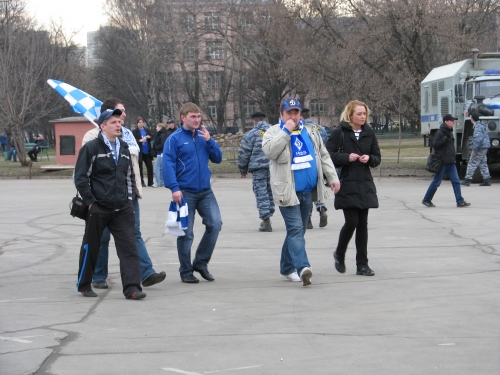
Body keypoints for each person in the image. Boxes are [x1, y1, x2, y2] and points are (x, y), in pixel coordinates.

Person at [82, 97, 166, 290]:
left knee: (133, 234)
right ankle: (98, 275)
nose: (124, 116)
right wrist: (89, 199)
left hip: (127, 195)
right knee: (102, 238)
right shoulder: (91, 137)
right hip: (101, 199)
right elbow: (83, 171)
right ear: (107, 117)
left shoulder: (127, 135)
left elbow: (131, 165)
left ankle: (146, 273)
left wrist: (133, 191)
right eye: (120, 112)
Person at [262, 97, 340, 286]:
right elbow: (271, 151)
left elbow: (323, 155)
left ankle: (286, 268)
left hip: (308, 191)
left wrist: (333, 177)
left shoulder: (311, 131)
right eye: (289, 112)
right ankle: (303, 268)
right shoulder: (273, 132)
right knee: (296, 229)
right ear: (281, 114)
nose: (294, 116)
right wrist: (286, 131)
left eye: (296, 112)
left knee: (297, 231)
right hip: (287, 191)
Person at [74, 109, 145, 299]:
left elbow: (129, 176)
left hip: (122, 208)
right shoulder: (91, 148)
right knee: (91, 246)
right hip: (99, 207)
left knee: (129, 248)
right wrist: (90, 203)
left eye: (119, 122)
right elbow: (81, 178)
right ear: (102, 126)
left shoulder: (123, 147)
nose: (118, 125)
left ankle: (132, 288)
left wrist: (129, 201)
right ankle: (84, 284)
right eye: (113, 122)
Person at [163, 102, 223, 284]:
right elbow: (168, 164)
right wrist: (174, 188)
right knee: (186, 233)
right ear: (183, 118)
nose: (197, 120)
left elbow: (218, 159)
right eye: (193, 117)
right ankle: (186, 270)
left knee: (215, 223)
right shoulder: (175, 139)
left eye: (198, 116)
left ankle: (201, 263)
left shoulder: (203, 136)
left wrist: (209, 140)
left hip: (205, 191)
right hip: (185, 191)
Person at [326, 100, 381, 277]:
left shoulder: (369, 132)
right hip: (347, 182)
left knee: (363, 225)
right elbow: (328, 155)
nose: (363, 117)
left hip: (364, 183)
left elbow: (377, 157)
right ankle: (340, 254)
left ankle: (362, 265)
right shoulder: (339, 132)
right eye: (359, 114)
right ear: (350, 115)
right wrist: (346, 157)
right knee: (352, 222)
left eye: (364, 114)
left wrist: (369, 159)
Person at [422, 114, 471, 208]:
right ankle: (426, 199)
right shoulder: (440, 132)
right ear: (446, 122)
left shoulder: (449, 132)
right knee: (436, 182)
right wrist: (444, 138)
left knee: (456, 181)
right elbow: (435, 145)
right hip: (442, 162)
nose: (453, 122)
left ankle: (460, 201)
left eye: (453, 120)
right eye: (451, 120)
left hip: (451, 162)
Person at [238, 111, 275, 232]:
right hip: (274, 167)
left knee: (261, 192)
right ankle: (270, 212)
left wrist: (243, 170)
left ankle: (266, 220)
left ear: (254, 121)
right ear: (265, 118)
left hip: (258, 168)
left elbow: (244, 154)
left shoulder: (250, 135)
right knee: (270, 191)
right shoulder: (275, 132)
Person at [302, 108, 329, 229]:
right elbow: (325, 146)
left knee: (307, 191)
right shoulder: (319, 128)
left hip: (306, 164)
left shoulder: (301, 128)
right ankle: (321, 208)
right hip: (319, 163)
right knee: (318, 187)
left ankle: (308, 219)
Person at [460, 113, 491, 186]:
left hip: (480, 147)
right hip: (484, 147)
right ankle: (487, 179)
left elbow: (477, 140)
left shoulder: (477, 127)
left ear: (472, 119)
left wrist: (474, 150)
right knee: (483, 163)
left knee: (472, 162)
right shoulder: (482, 125)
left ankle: (467, 179)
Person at [133, 117, 154, 187]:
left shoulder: (147, 130)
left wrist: (149, 137)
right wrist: (139, 140)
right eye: (139, 122)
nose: (141, 124)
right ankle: (141, 182)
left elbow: (151, 136)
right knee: (140, 168)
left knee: (150, 167)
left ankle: (150, 182)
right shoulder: (134, 131)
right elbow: (133, 140)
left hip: (147, 151)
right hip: (140, 152)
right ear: (137, 123)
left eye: (142, 122)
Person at [151, 123, 168, 188]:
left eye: (157, 127)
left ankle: (157, 182)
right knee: (160, 168)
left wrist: (155, 147)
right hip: (160, 153)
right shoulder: (161, 134)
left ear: (160, 127)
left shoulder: (162, 135)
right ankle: (161, 182)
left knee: (156, 167)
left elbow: (162, 144)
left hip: (160, 153)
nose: (156, 128)